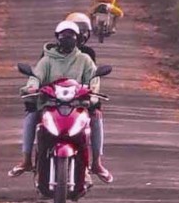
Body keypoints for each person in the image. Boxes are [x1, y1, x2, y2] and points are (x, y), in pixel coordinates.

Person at [14, 15, 110, 182]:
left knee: (96, 119)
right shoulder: (47, 59)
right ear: (57, 37)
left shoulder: (85, 59)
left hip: (79, 104)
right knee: (31, 116)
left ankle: (96, 163)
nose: (68, 39)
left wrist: (92, 93)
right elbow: (36, 76)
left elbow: (93, 79)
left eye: (71, 36)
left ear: (78, 38)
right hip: (50, 103)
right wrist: (32, 87)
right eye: (64, 35)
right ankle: (26, 160)